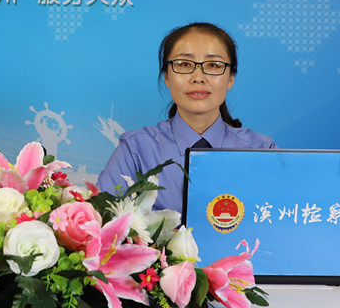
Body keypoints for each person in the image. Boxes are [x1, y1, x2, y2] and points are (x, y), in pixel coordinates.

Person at [97, 22, 275, 212]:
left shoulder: (262, 151)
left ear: (231, 78)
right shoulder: (136, 150)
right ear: (167, 77)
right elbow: (103, 221)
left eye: (213, 65)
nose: (198, 77)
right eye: (184, 64)